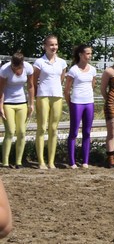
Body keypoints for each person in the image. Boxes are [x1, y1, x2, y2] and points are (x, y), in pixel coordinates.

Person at [32, 35, 67, 169]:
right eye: (51, 45)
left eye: (56, 44)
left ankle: (51, 161)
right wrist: (36, 96)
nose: (54, 47)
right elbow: (34, 81)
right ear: (45, 46)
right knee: (42, 127)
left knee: (53, 128)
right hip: (43, 96)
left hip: (57, 96)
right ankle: (41, 161)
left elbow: (61, 78)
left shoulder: (62, 62)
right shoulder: (39, 62)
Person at [64, 44, 97, 169]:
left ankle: (85, 161)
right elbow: (67, 90)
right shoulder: (73, 70)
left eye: (90, 53)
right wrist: (70, 103)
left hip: (89, 102)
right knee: (73, 132)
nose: (90, 56)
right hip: (76, 102)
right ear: (80, 55)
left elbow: (93, 85)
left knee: (87, 131)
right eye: (87, 53)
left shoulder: (92, 69)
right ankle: (72, 161)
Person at [0, 52, 35, 169]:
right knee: (10, 131)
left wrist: (31, 104)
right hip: (8, 102)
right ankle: (5, 162)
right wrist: (1, 106)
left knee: (21, 132)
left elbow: (30, 86)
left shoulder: (28, 68)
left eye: (17, 67)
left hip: (22, 102)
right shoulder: (4, 70)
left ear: (22, 64)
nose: (15, 69)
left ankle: (18, 162)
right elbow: (1, 89)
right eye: (13, 66)